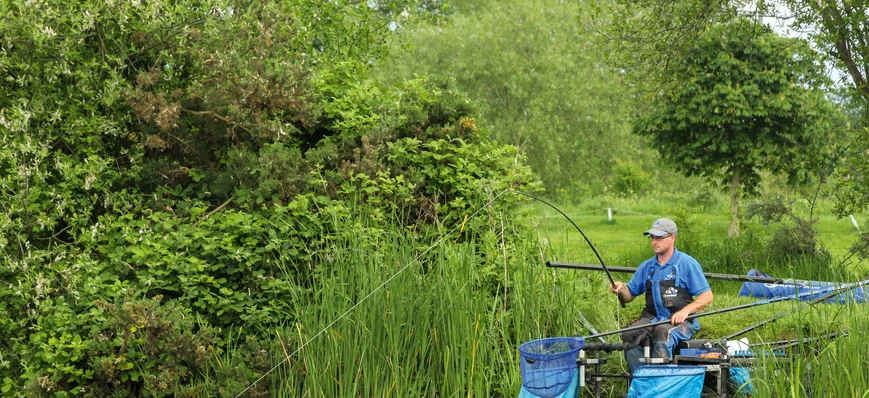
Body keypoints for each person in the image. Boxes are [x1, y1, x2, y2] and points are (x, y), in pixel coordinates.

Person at [608, 218, 714, 374]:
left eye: (659, 237)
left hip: (681, 322)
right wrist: (621, 287)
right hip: (651, 319)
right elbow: (629, 295)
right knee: (629, 334)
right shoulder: (647, 266)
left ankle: (660, 382)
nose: (654, 241)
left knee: (662, 331)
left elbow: (707, 296)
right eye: (652, 237)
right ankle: (639, 381)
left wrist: (685, 311)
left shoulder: (687, 264)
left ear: (672, 238)